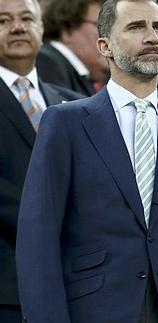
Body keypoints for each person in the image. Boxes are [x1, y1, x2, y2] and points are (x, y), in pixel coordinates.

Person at [15, 0, 158, 322]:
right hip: (92, 311)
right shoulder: (65, 123)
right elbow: (38, 238)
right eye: (136, 27)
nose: (151, 37)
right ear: (105, 46)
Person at [0, 0, 84, 321]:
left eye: (26, 18)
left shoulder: (76, 103)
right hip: (9, 285)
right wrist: (50, 220)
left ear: (41, 28)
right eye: (4, 20)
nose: (18, 27)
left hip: (76, 284)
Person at [37, 0, 109, 96]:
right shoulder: (47, 63)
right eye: (102, 26)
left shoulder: (75, 74)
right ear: (67, 30)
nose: (111, 36)